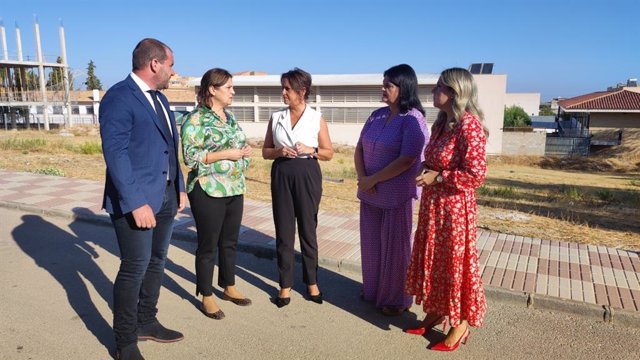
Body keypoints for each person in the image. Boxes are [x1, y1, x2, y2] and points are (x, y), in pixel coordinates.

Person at [100, 38, 186, 360]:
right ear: (154, 64)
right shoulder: (119, 97)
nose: (173, 72)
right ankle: (125, 342)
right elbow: (116, 154)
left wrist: (178, 186)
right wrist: (136, 202)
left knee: (157, 261)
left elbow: (169, 146)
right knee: (134, 267)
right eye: (171, 65)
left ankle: (146, 321)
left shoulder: (160, 100)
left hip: (164, 195)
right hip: (135, 200)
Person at [404, 67, 488, 352]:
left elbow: (476, 175)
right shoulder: (441, 123)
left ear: (453, 91)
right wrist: (428, 171)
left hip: (455, 210)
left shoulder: (469, 125)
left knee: (454, 266)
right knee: (436, 262)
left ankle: (460, 322)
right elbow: (437, 160)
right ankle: (437, 310)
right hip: (434, 206)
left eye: (438, 86)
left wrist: (438, 177)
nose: (432, 91)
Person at [354, 64, 428, 316]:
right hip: (369, 194)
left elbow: (408, 159)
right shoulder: (376, 115)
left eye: (389, 85)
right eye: (383, 83)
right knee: (372, 246)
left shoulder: (413, 120)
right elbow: (359, 149)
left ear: (403, 87)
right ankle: (374, 291)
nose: (383, 88)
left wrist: (373, 179)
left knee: (395, 251)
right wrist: (363, 178)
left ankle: (395, 299)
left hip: (395, 197)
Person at [181, 68, 253, 319]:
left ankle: (228, 286)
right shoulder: (196, 120)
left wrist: (244, 152)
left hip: (234, 186)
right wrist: (226, 154)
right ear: (212, 89)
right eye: (229, 87)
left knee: (230, 241)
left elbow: (239, 143)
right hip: (208, 188)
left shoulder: (229, 118)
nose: (233, 92)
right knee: (208, 244)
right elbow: (190, 157)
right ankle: (206, 295)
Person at [262, 68, 334, 308]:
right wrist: (280, 151)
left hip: (307, 173)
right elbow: (265, 151)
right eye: (282, 88)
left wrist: (310, 150)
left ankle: (312, 281)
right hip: (282, 172)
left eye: (287, 89)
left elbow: (328, 153)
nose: (283, 93)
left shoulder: (316, 118)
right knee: (283, 231)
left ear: (302, 91)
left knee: (308, 229)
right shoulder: (276, 117)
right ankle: (285, 284)